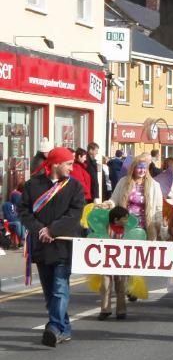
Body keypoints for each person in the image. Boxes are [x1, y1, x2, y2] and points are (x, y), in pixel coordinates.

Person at [18, 147, 85, 347]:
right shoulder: (33, 185)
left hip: (63, 244)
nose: (72, 169)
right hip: (41, 245)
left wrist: (52, 230)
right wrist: (40, 230)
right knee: (49, 292)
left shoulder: (75, 187)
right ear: (56, 164)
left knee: (59, 288)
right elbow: (24, 211)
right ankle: (64, 328)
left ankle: (54, 327)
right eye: (69, 164)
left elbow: (75, 215)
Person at [101, 153, 163, 240]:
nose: (142, 171)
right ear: (133, 168)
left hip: (145, 228)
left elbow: (158, 208)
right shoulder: (123, 182)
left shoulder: (154, 185)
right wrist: (107, 204)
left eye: (144, 168)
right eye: (139, 168)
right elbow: (114, 200)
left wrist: (159, 226)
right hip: (125, 226)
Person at [98, 206, 130, 320]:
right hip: (106, 261)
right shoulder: (106, 229)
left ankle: (121, 311)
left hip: (121, 263)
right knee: (105, 285)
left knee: (121, 286)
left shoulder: (127, 231)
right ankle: (105, 309)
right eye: (124, 218)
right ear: (116, 220)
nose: (127, 221)